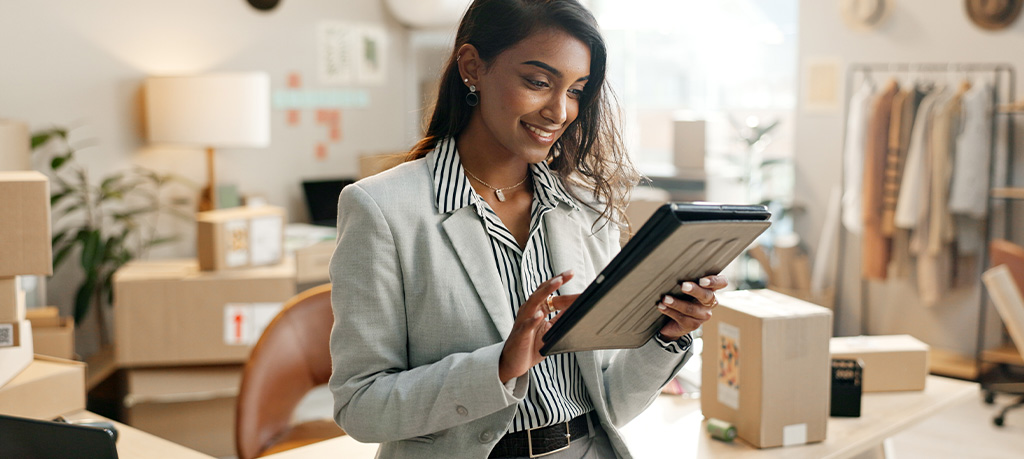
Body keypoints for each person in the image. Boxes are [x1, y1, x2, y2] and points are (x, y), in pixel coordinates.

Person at [328, 1, 725, 457]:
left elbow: (610, 401)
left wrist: (665, 335)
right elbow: (360, 406)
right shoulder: (381, 208)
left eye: (576, 90)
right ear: (472, 67)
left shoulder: (587, 208)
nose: (560, 111)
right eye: (539, 82)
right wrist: (498, 366)